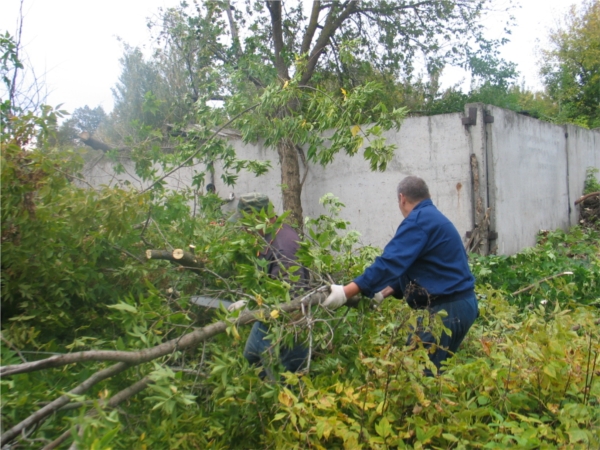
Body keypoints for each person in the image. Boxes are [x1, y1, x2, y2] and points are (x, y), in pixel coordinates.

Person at [322, 176, 478, 374]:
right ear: (427, 195)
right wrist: (383, 293)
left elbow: (390, 262)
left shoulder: (419, 221)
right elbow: (416, 266)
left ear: (402, 198)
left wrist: (345, 292)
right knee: (433, 375)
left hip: (445, 310)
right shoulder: (432, 217)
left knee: (415, 377)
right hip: (462, 305)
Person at [227, 193, 310, 379]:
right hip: (264, 322)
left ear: (259, 218)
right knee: (250, 362)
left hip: (285, 329)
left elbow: (290, 302)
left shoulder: (284, 247)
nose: (243, 228)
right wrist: (249, 302)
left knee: (281, 385)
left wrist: (250, 308)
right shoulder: (267, 235)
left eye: (245, 223)